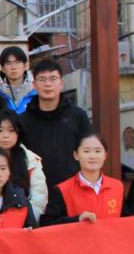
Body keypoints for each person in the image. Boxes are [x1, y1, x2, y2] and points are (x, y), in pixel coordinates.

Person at [41, 133, 134, 225]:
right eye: (86, 151)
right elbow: (46, 222)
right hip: (79, 248)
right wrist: (77, 219)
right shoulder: (62, 190)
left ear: (105, 155)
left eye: (98, 151)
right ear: (76, 155)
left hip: (110, 247)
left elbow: (126, 218)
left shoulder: (117, 186)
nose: (93, 156)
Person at [19, 59, 93, 190]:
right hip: (34, 191)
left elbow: (89, 151)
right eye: (42, 79)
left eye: (53, 79)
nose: (48, 84)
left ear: (61, 83)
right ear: (34, 85)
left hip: (72, 190)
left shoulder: (77, 116)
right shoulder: (23, 121)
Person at [0, 46, 36, 114]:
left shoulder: (36, 92)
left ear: (25, 66)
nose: (13, 67)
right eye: (8, 63)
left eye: (17, 62)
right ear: (2, 68)